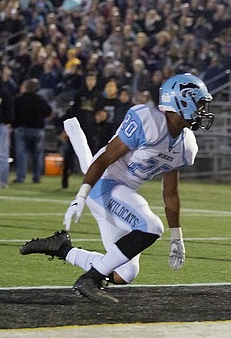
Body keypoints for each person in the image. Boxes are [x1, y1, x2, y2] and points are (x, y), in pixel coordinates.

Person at [20, 73, 215, 303]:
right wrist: (81, 195)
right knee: (151, 226)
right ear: (182, 100)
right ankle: (90, 280)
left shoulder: (186, 145)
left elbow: (170, 193)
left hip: (122, 193)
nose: (203, 109)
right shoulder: (148, 122)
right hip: (104, 183)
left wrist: (177, 237)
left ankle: (62, 248)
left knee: (124, 274)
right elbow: (103, 160)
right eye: (200, 103)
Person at [13, 79, 52, 184]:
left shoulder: (19, 99)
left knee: (22, 155)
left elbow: (13, 114)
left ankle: (21, 177)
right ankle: (37, 177)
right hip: (37, 130)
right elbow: (48, 112)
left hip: (22, 129)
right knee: (37, 155)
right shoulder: (40, 100)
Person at [0, 72, 14, 188]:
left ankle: (2, 180)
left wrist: (7, 122)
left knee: (2, 154)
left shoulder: (3, 94)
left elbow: (9, 109)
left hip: (0, 127)